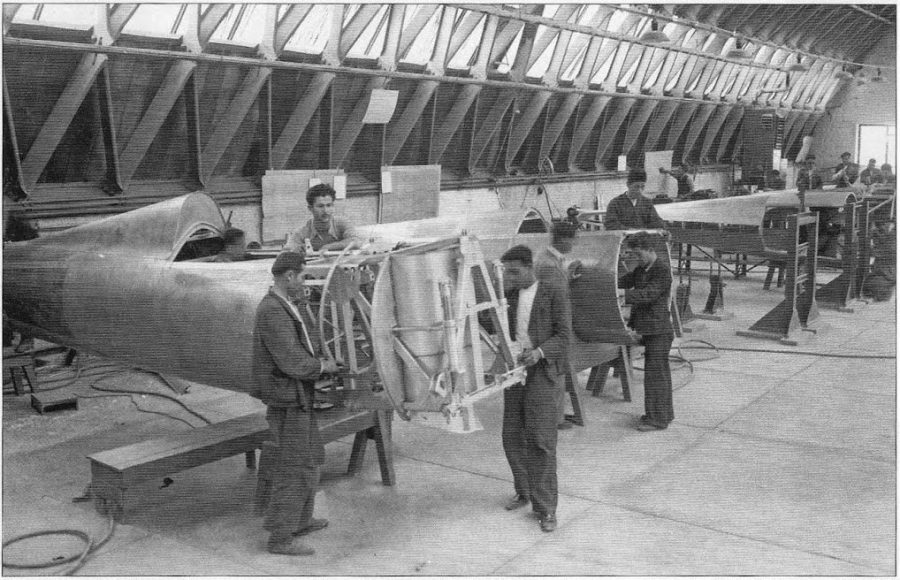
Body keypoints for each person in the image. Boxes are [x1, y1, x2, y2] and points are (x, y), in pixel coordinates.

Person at [251, 251, 341, 556]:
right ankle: (280, 538)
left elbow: (302, 346)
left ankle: (300, 521)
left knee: (311, 459)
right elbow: (291, 360)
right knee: (293, 468)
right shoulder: (272, 311)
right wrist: (323, 367)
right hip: (289, 399)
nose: (305, 281)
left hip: (298, 396)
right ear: (289, 276)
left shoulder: (286, 304)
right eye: (302, 276)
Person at [499, 245, 572, 533]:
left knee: (541, 441)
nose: (510, 277)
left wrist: (539, 352)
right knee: (511, 436)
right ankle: (525, 491)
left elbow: (564, 336)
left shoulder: (553, 292)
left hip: (541, 370)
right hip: (515, 371)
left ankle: (546, 509)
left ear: (530, 268)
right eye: (507, 273)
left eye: (515, 272)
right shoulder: (509, 296)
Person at [618, 233, 674, 431]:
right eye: (634, 254)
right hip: (650, 329)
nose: (637, 259)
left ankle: (657, 420)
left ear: (650, 250)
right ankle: (663, 415)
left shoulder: (662, 270)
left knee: (656, 377)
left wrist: (623, 295)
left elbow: (648, 294)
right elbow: (622, 281)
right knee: (658, 375)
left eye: (639, 254)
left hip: (659, 331)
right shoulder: (642, 269)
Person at [534, 221, 580, 431]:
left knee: (557, 371)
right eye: (572, 240)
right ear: (563, 239)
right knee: (554, 371)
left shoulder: (552, 259)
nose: (574, 244)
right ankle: (553, 420)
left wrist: (567, 276)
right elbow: (552, 297)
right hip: (552, 325)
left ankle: (556, 415)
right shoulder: (548, 264)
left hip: (552, 323)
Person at [284, 183, 357, 253]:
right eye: (320, 206)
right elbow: (285, 252)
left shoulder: (342, 223)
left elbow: (356, 241)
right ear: (310, 208)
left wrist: (329, 247)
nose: (325, 211)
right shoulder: (302, 232)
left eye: (329, 205)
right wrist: (295, 250)